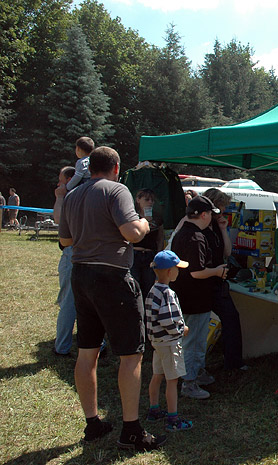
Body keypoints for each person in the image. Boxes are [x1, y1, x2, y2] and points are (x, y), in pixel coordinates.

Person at [58, 146, 166, 451]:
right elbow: (132, 232)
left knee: (87, 352)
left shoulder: (73, 195)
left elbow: (65, 239)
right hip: (111, 277)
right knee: (131, 354)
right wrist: (144, 223)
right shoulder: (116, 190)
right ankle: (131, 431)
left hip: (81, 275)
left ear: (90, 166)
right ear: (116, 168)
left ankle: (93, 423)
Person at [170, 195, 226, 400]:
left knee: (195, 339)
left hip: (186, 296)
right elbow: (196, 272)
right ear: (203, 215)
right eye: (210, 214)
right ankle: (189, 382)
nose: (211, 218)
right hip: (195, 298)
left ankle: (197, 372)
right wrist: (217, 271)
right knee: (193, 342)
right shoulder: (196, 237)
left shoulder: (183, 233)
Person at [200, 187, 247, 374]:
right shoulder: (200, 227)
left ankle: (233, 362)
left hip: (218, 281)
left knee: (231, 318)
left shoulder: (217, 226)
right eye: (222, 207)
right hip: (205, 282)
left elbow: (227, 252)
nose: (224, 211)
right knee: (200, 324)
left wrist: (223, 229)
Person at [145, 250, 192, 432]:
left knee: (157, 375)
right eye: (177, 269)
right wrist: (182, 330)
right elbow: (167, 320)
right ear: (169, 271)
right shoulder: (167, 293)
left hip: (157, 342)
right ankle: (173, 419)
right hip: (169, 343)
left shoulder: (152, 291)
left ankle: (154, 409)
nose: (179, 272)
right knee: (172, 380)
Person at [53, 166, 77, 356]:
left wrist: (60, 197)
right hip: (91, 252)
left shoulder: (70, 197)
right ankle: (98, 344)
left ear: (69, 180)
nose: (58, 184)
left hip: (73, 252)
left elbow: (58, 219)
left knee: (68, 301)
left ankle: (62, 347)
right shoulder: (90, 193)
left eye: (61, 181)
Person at [131, 189, 164, 303]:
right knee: (134, 287)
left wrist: (158, 255)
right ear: (138, 200)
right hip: (135, 253)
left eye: (152, 200)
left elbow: (160, 238)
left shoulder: (157, 218)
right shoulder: (133, 217)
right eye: (147, 199)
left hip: (150, 255)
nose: (150, 202)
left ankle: (146, 312)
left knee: (148, 288)